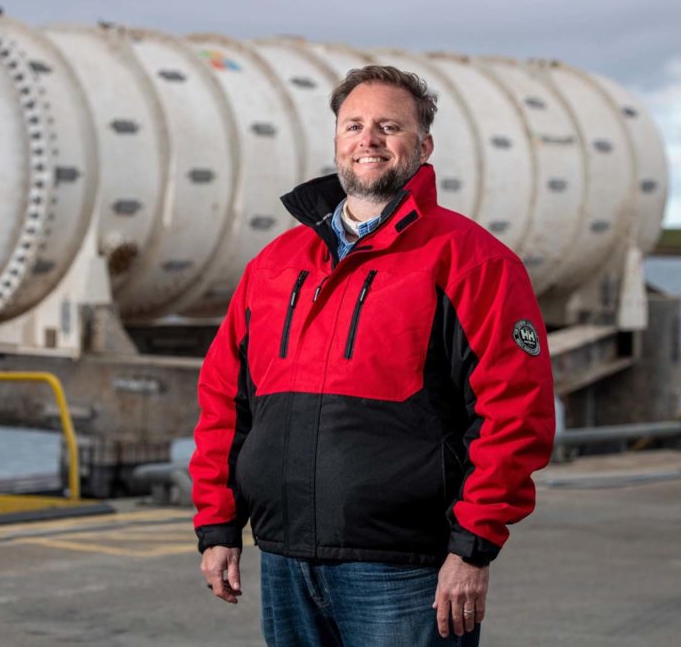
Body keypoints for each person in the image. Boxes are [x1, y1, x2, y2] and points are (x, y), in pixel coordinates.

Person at [190, 65, 555, 646]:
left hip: (404, 570)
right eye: (354, 125)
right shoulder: (275, 265)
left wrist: (473, 548)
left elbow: (516, 414)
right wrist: (217, 524)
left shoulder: (472, 262)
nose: (369, 139)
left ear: (424, 145)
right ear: (336, 139)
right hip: (284, 560)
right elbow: (224, 401)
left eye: (390, 126)